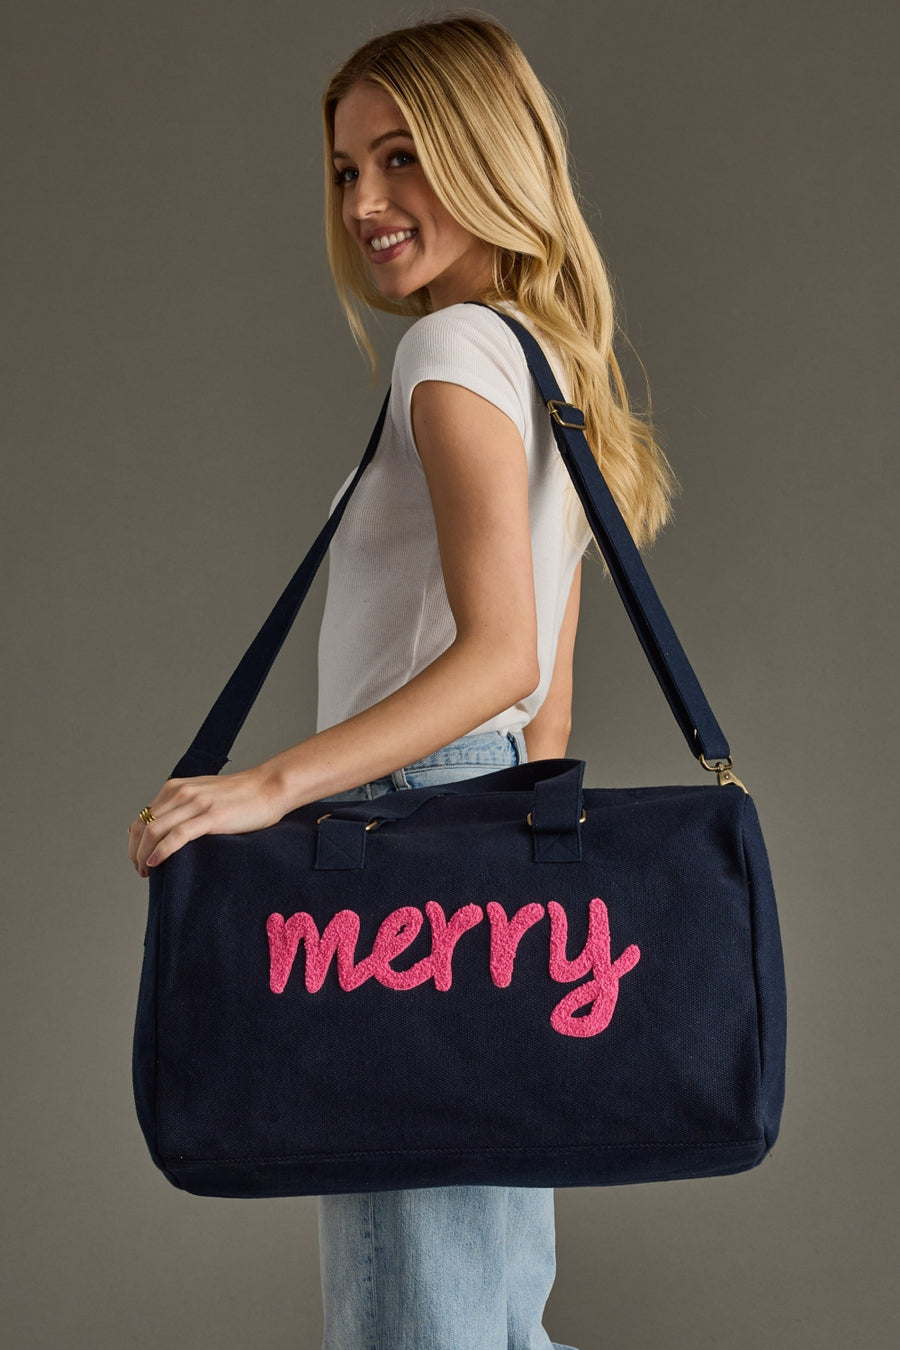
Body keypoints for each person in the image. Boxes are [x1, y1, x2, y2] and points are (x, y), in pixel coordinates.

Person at [128, 14, 676, 1349]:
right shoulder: (546, 369)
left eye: (404, 157)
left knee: (415, 1319)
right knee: (488, 1302)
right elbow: (541, 710)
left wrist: (268, 787)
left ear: (490, 154)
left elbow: (497, 656)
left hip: (408, 848)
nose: (367, 202)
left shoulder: (449, 355)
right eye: (344, 170)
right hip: (493, 844)